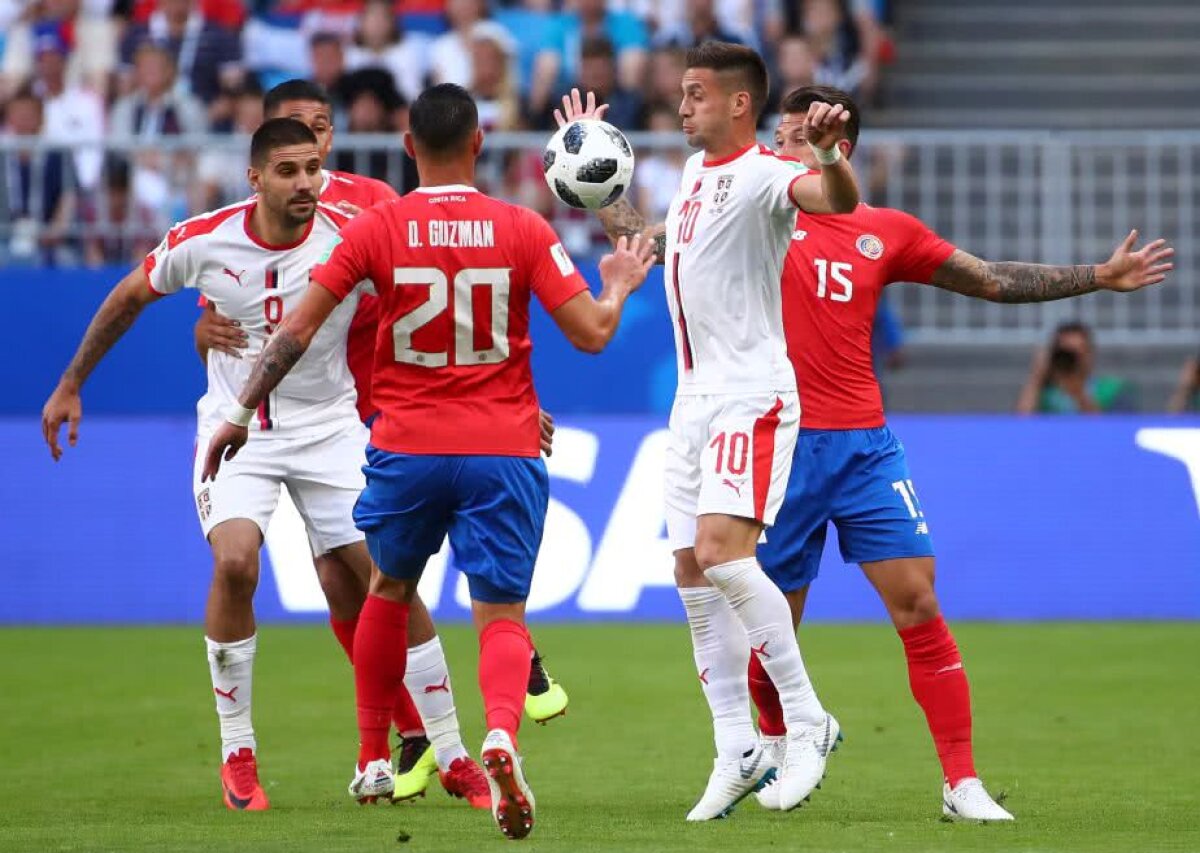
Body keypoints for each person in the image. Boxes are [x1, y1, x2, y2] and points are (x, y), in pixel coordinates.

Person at [200, 83, 656, 839]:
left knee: (385, 589)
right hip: (500, 445)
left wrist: (240, 412)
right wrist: (617, 285)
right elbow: (592, 334)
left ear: (409, 148)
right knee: (500, 612)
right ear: (479, 144)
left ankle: (372, 754)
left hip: (405, 443)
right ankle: (500, 732)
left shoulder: (375, 225)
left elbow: (295, 330)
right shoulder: (520, 225)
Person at [744, 85, 1171, 820]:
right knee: (771, 623)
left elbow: (992, 279)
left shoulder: (886, 231)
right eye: (778, 136)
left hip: (864, 448)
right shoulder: (753, 217)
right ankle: (777, 743)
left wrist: (1097, 277)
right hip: (781, 444)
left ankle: (961, 781)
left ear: (838, 149)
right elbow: (659, 237)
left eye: (794, 138)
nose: (776, 150)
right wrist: (605, 195)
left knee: (919, 602)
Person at [556, 41, 860, 822]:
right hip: (692, 402)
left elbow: (834, 199)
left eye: (695, 93)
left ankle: (806, 718)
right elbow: (646, 242)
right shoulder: (695, 173)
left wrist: (828, 152)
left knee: (725, 554)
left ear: (737, 103)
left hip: (749, 394)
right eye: (682, 92)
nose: (681, 104)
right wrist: (595, 174)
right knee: (691, 568)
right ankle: (735, 744)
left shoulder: (767, 175)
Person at [41, 119, 378, 812]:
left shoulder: (351, 234)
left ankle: (418, 744)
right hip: (237, 430)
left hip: (330, 428)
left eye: (313, 169)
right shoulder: (205, 238)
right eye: (288, 171)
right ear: (255, 178)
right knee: (235, 563)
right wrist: (72, 381)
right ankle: (237, 753)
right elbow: (128, 297)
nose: (306, 183)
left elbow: (431, 307)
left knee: (382, 577)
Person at [1017, 321, 1140, 414]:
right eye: (1066, 353)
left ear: (1090, 354)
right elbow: (1020, 426)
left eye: (1077, 352)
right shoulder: (1044, 392)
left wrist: (1078, 393)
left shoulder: (1113, 390)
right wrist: (1037, 376)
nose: (1071, 360)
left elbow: (1112, 430)